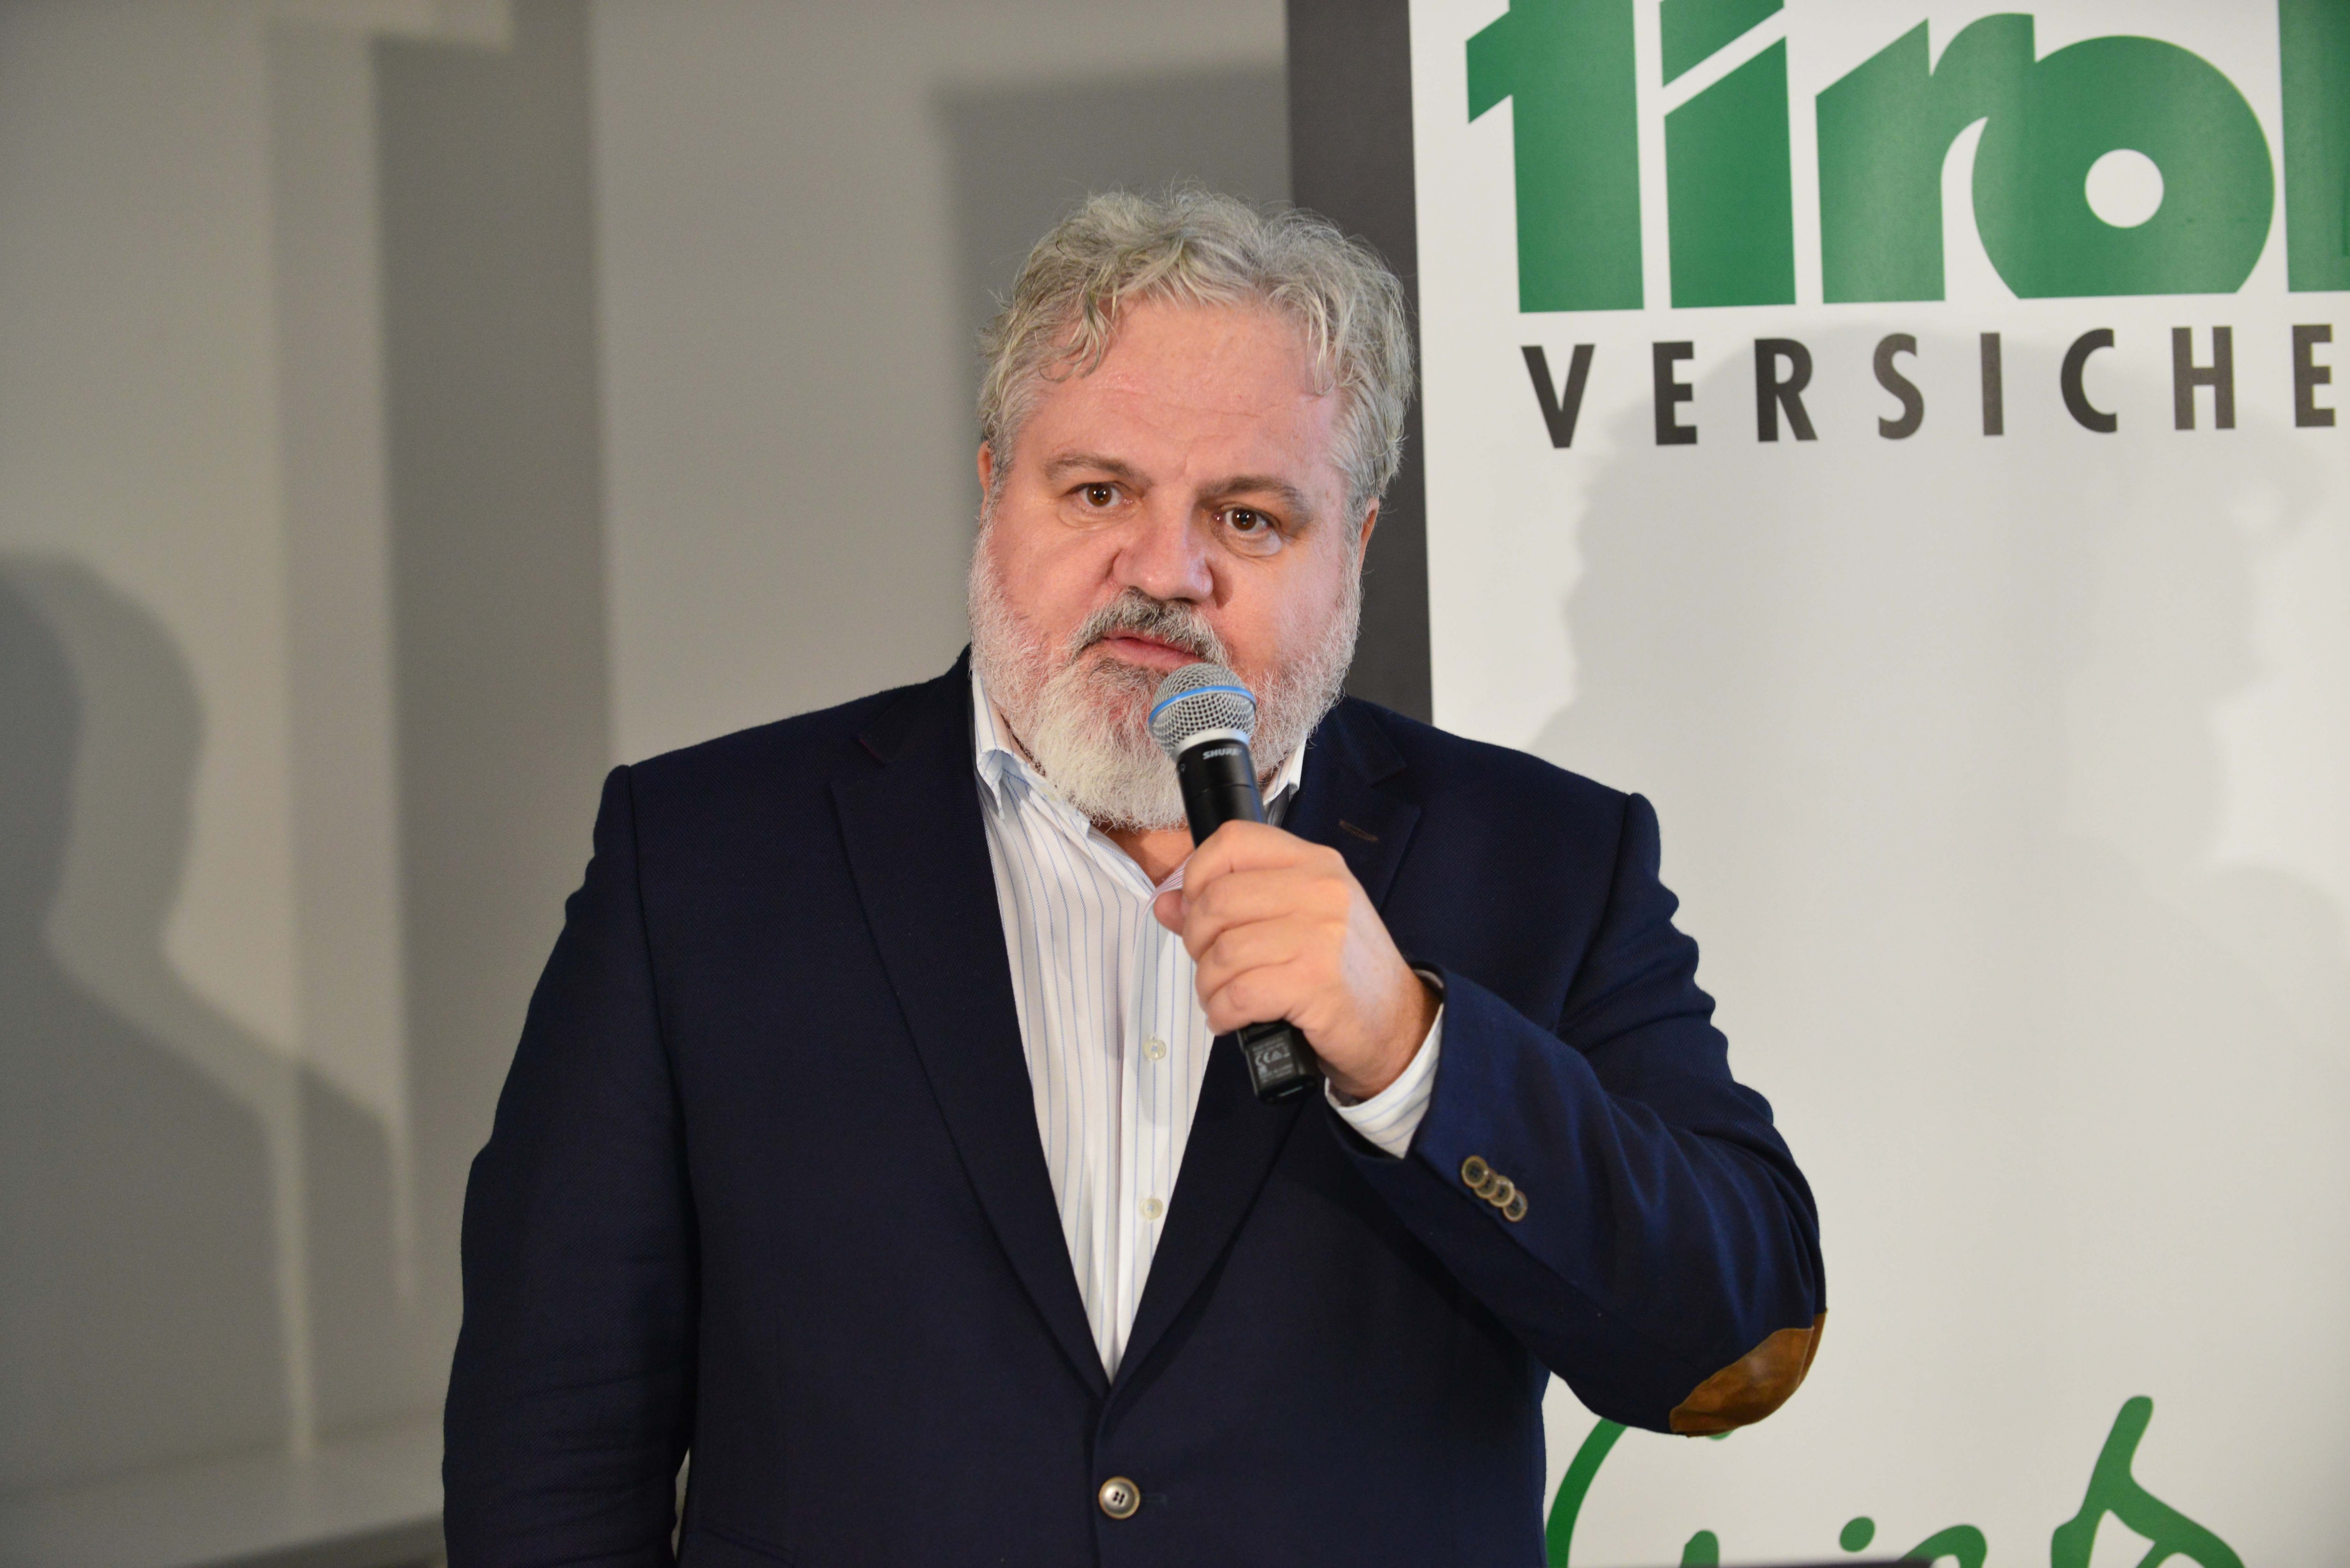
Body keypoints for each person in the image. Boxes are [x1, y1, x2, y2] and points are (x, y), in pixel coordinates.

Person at [441, 188, 1825, 1567]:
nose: (1167, 571)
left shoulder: (1547, 861)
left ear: (1355, 544)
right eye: (1099, 492)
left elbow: (1737, 1340)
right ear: (995, 488)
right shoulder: (702, 857)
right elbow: (552, 1440)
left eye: (1250, 517)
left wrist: (1415, 1050)